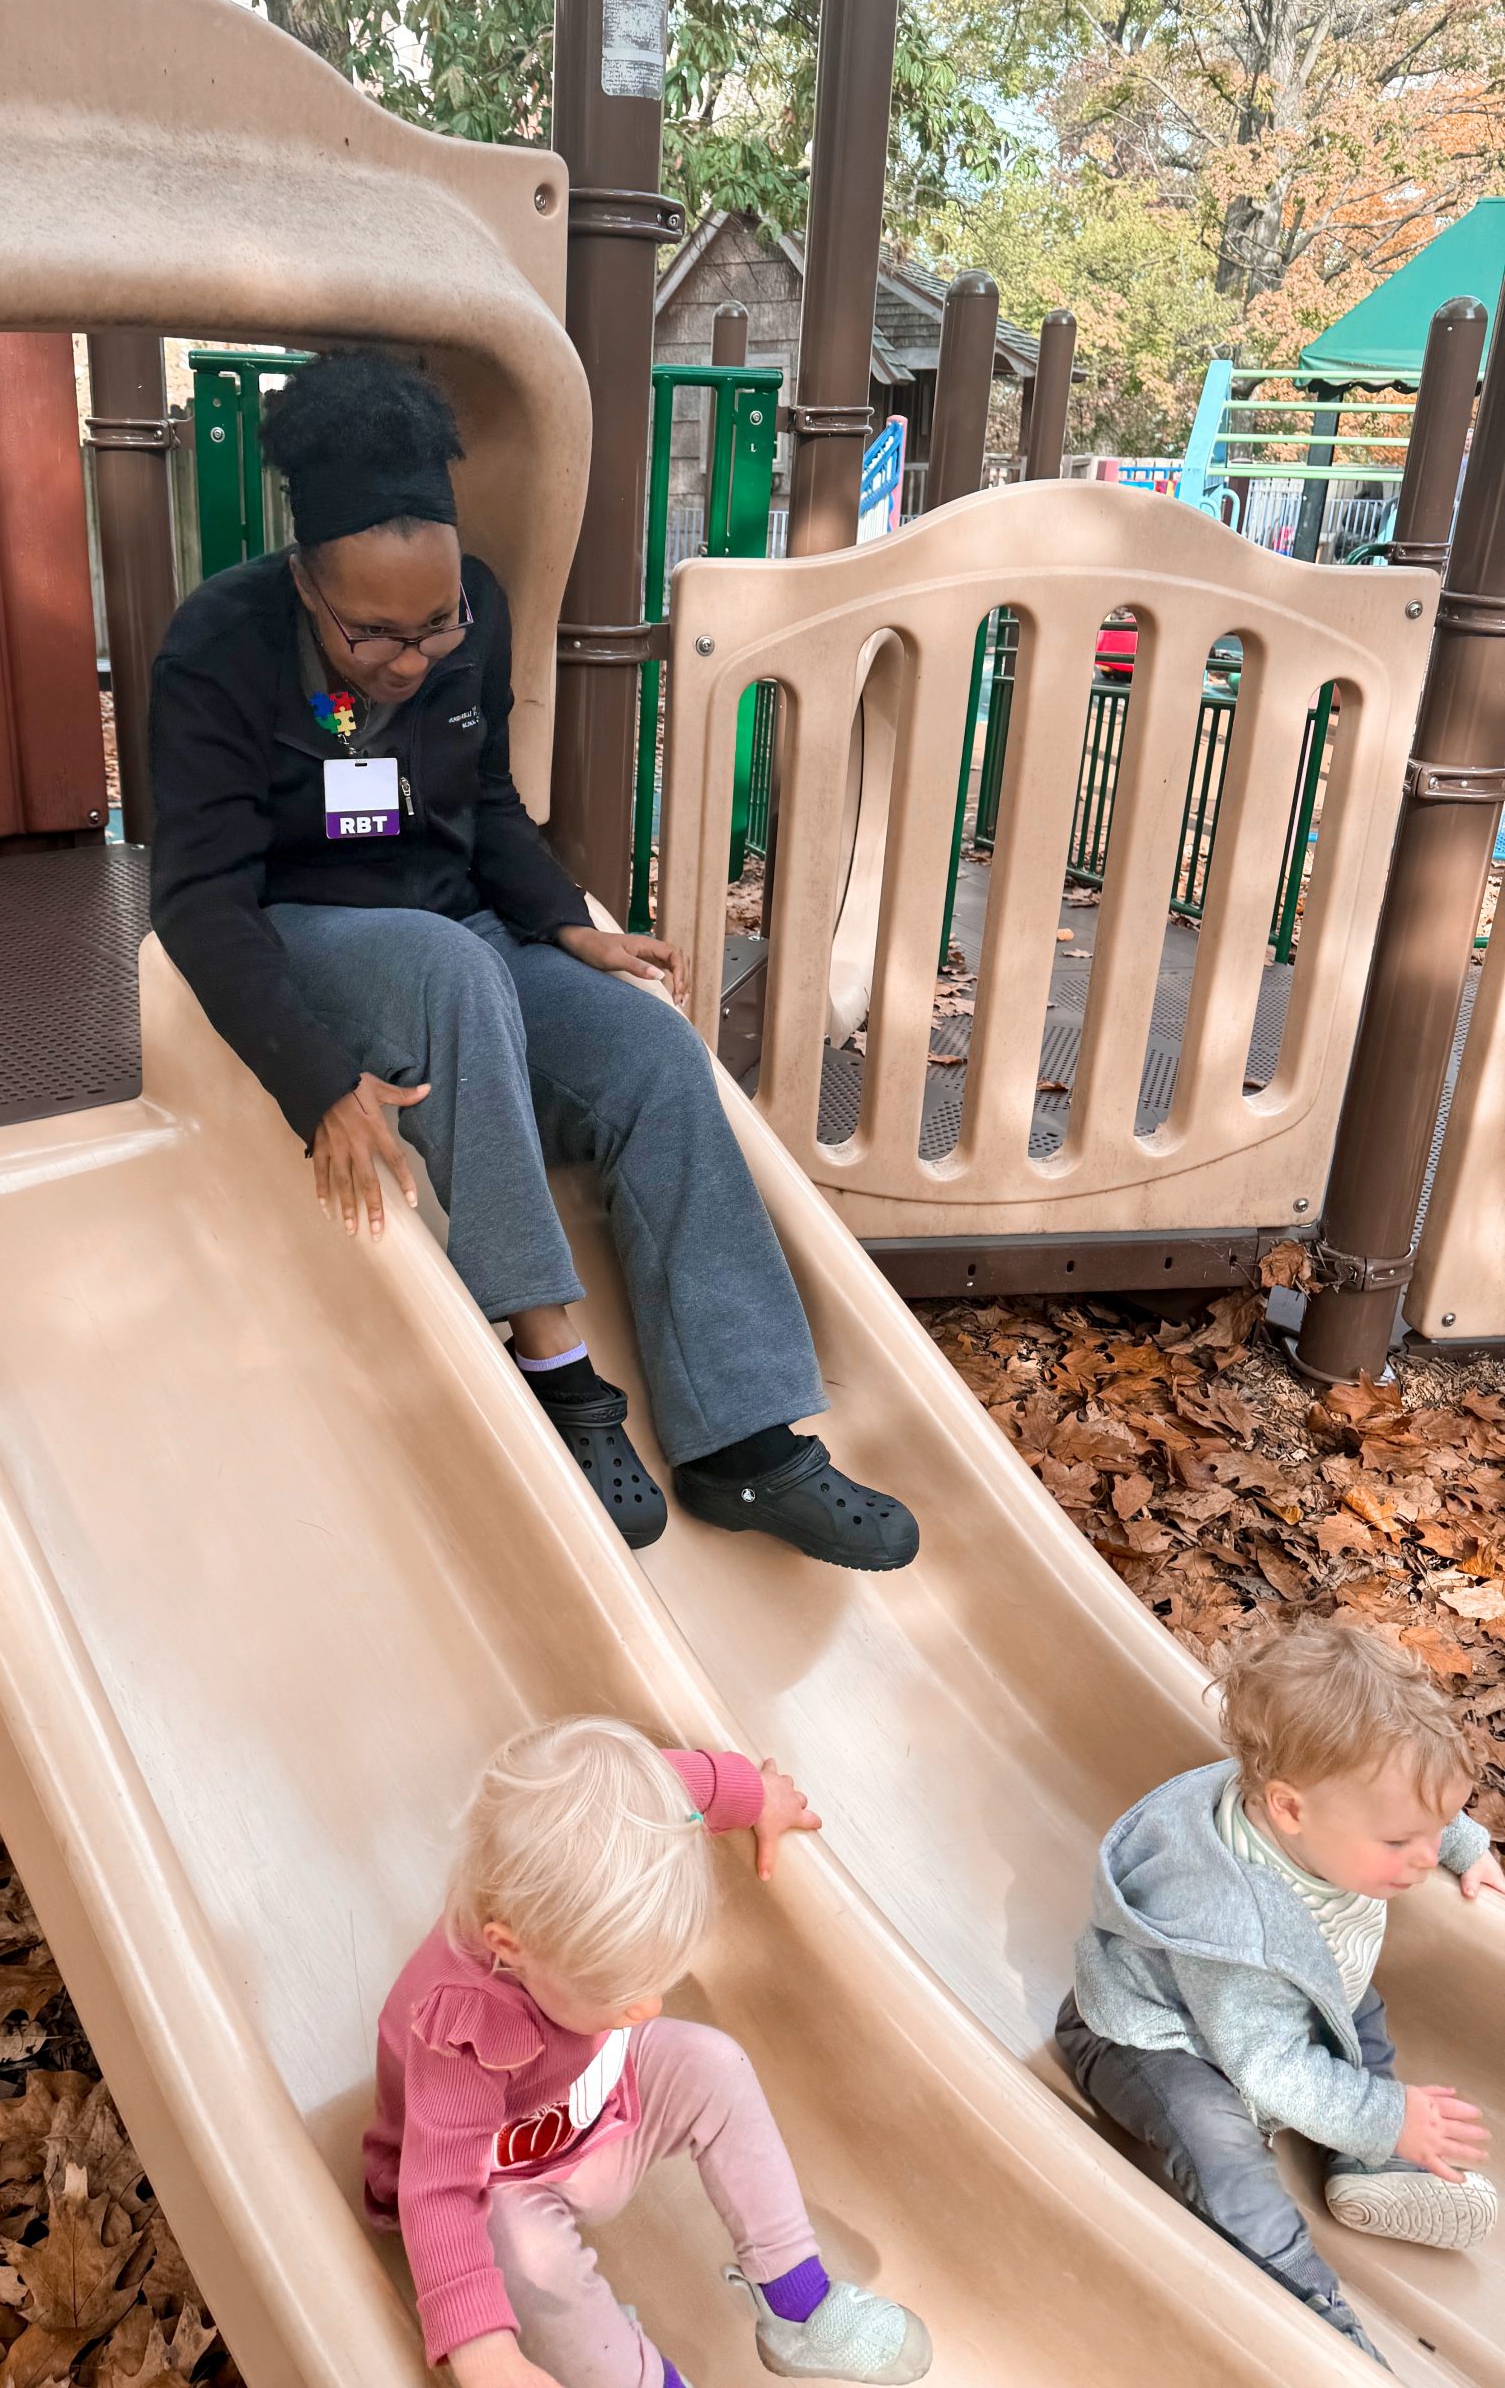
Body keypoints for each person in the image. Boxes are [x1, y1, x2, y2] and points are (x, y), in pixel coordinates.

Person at [149, 349, 917, 1567]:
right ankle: (558, 1370)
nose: (414, 658)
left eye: (436, 625)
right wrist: (316, 1083)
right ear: (305, 580)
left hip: (462, 932)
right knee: (451, 970)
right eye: (374, 635)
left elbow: (488, 801)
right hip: (301, 930)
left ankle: (742, 1442)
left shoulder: (481, 609)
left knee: (654, 1051)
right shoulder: (220, 643)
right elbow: (196, 896)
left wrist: (565, 919)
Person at [363, 1715, 933, 2388]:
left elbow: (682, 1786)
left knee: (714, 2063)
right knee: (538, 2267)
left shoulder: (621, 1822)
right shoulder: (464, 2028)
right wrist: (483, 2353)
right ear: (513, 1948)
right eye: (620, 1991)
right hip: (498, 2180)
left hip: (594, 2109)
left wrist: (755, 1794)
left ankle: (797, 2305)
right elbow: (438, 2193)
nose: (649, 2008)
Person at [1057, 1620, 1503, 2363]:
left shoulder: (1319, 1804)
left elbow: (1409, 1799)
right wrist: (1385, 2114)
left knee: (1358, 2011)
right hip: (1152, 2040)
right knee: (1220, 2148)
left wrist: (1462, 1844)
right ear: (1290, 1809)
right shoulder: (1237, 1926)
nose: (1422, 1858)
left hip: (1270, 2006)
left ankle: (1363, 2162)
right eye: (1401, 1842)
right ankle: (1313, 2310)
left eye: (1429, 1833)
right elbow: (1270, 2069)